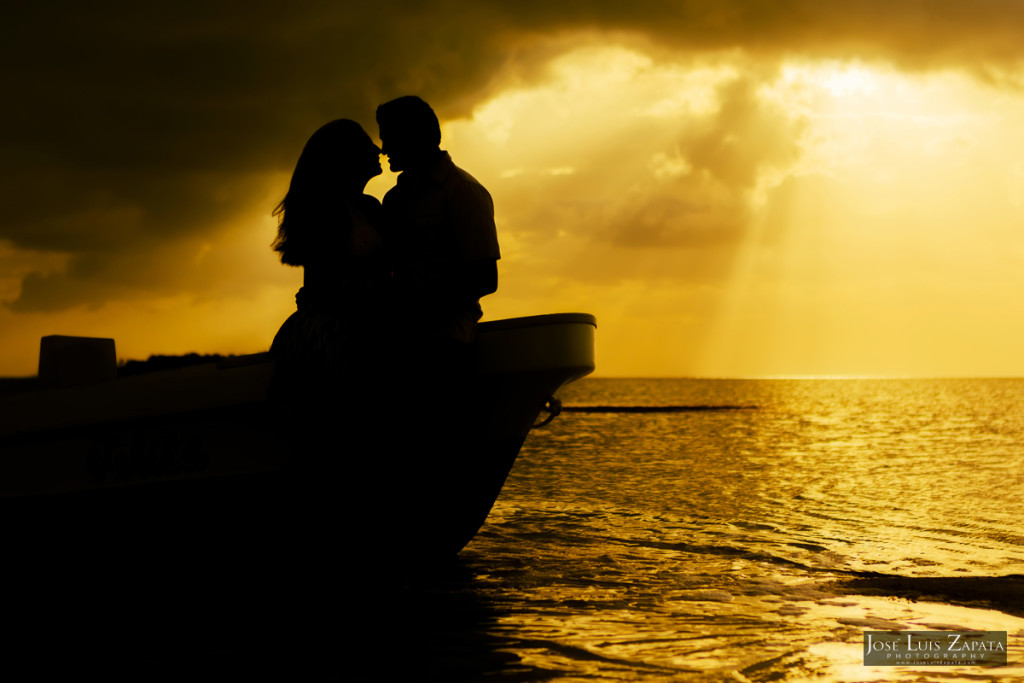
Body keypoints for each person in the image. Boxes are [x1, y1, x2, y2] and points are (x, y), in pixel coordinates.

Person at [269, 118, 388, 425]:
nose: (377, 149)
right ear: (345, 157)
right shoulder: (326, 214)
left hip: (356, 333)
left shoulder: (369, 207)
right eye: (366, 144)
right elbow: (326, 288)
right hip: (333, 342)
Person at [375, 96, 500, 374]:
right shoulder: (394, 199)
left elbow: (485, 277)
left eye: (390, 138)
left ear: (413, 136)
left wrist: (418, 309)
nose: (384, 149)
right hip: (397, 342)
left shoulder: (463, 191)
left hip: (444, 344)